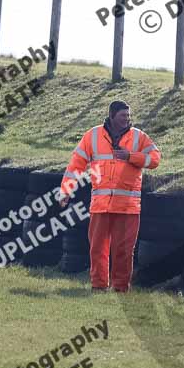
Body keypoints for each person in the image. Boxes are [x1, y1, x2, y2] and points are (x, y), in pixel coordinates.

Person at [59, 100, 161, 293]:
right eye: (123, 116)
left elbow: (155, 159)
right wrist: (66, 190)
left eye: (129, 116)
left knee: (123, 250)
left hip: (128, 206)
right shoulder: (93, 135)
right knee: (98, 248)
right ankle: (98, 286)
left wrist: (131, 156)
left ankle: (121, 288)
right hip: (101, 205)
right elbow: (76, 165)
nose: (127, 119)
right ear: (112, 115)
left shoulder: (139, 137)